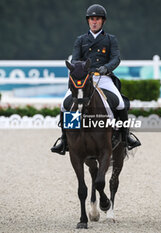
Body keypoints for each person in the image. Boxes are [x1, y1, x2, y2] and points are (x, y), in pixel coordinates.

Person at [51, 4, 141, 155]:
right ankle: (64, 140)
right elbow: (74, 60)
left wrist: (106, 68)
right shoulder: (81, 40)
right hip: (84, 79)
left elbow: (116, 58)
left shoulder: (110, 39)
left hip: (103, 78)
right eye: (92, 19)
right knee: (64, 105)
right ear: (88, 21)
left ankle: (126, 137)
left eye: (97, 19)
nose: (94, 22)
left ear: (103, 21)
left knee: (119, 103)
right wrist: (82, 69)